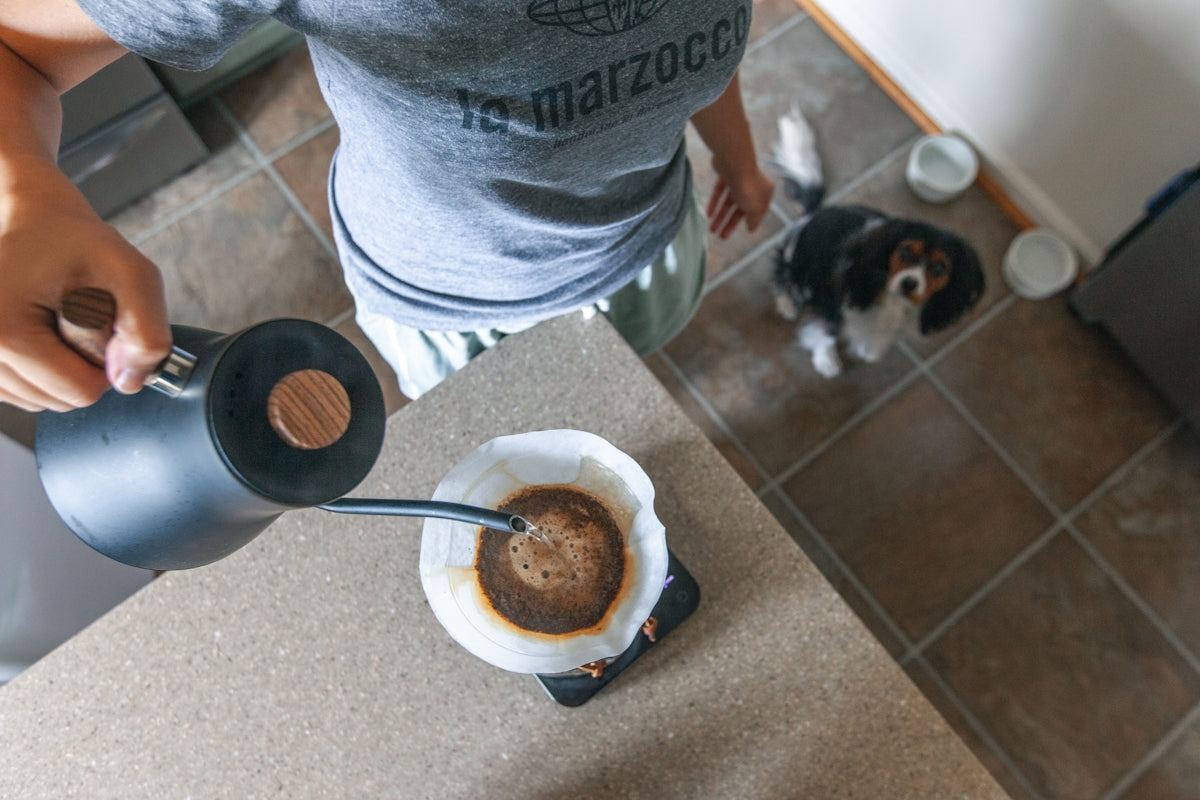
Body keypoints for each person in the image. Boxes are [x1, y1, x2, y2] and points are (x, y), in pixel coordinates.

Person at [0, 0, 774, 410]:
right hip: (452, 305)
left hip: (643, 243)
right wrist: (24, 193)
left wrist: (735, 153)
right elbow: (16, 47)